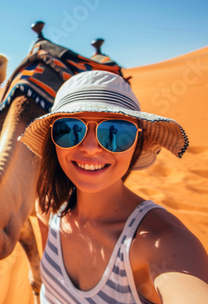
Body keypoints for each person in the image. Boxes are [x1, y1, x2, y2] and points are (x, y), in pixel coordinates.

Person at [19, 70, 208, 303]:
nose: (90, 147)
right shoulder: (48, 208)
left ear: (137, 143)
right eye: (69, 129)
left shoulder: (163, 242)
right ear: (53, 141)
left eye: (115, 132)